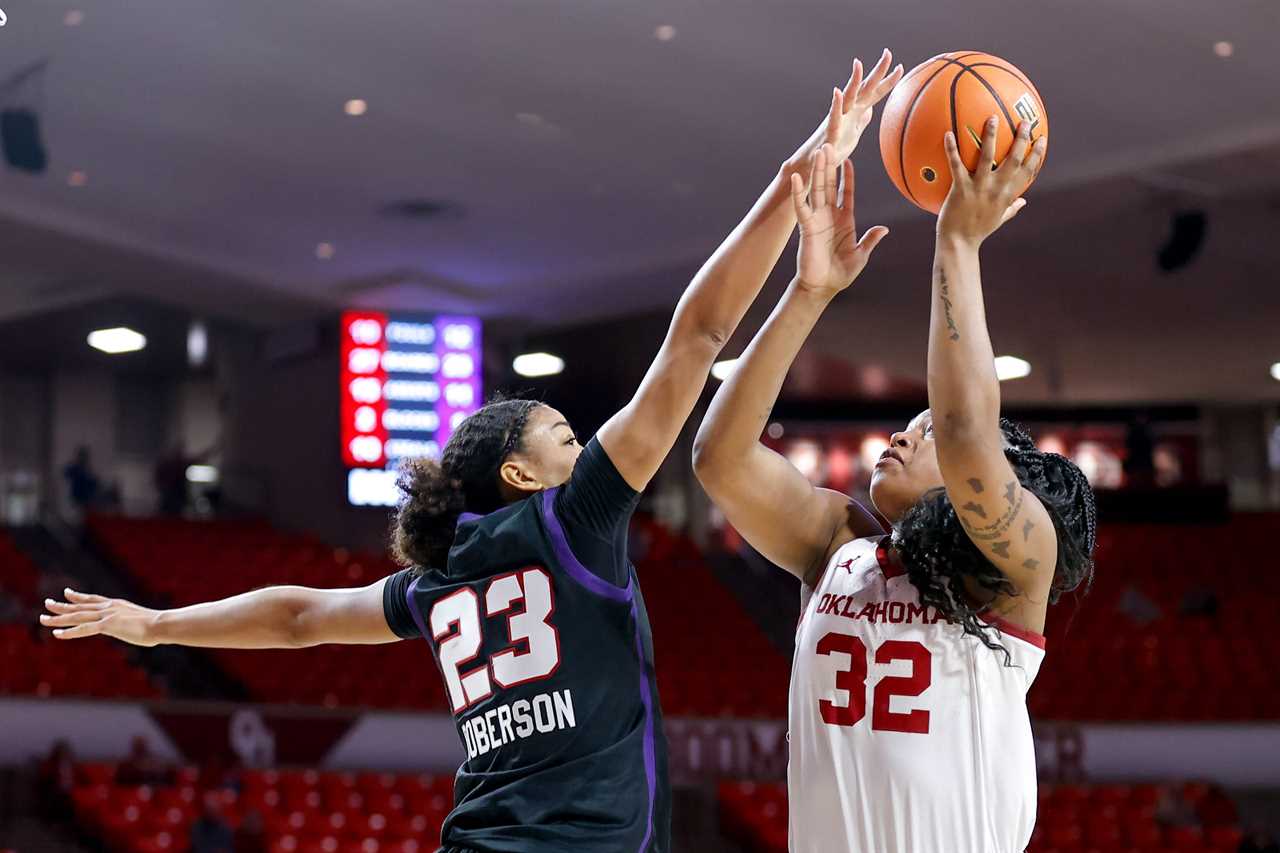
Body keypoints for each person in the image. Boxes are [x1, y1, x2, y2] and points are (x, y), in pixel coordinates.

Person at [39, 51, 904, 853]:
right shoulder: (576, 518)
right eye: (564, 433)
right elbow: (697, 335)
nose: (585, 437)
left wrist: (157, 624)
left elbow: (300, 617)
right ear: (521, 475)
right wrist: (794, 185)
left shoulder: (439, 577)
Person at [693, 118, 1096, 853]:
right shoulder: (836, 544)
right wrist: (810, 292)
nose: (903, 435)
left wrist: (958, 245)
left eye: (926, 428)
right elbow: (719, 457)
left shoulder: (1014, 565)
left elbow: (971, 429)